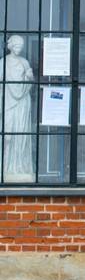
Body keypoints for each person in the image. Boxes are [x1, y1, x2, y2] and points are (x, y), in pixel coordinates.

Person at [3, 35, 35, 184]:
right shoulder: (2, 63)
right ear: (10, 46)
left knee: (21, 136)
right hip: (8, 103)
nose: (18, 49)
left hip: (22, 103)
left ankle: (19, 167)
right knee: (7, 136)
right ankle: (6, 167)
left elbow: (31, 85)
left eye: (20, 47)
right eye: (16, 46)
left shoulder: (24, 62)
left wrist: (30, 78)